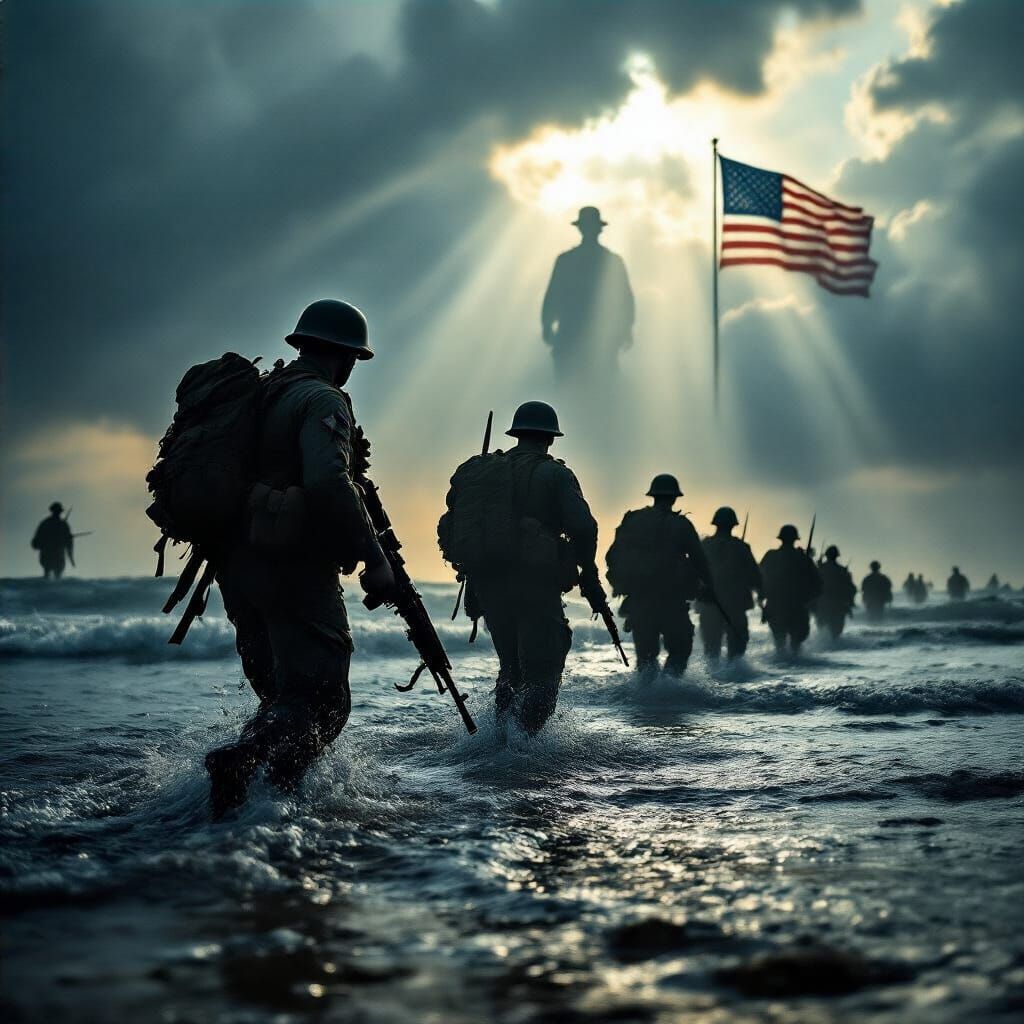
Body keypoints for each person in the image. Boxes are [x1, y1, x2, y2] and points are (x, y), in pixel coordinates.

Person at [204, 299, 395, 816]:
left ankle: (253, 809)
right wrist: (376, 560)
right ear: (346, 356)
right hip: (290, 565)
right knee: (322, 702)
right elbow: (330, 479)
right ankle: (243, 768)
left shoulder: (266, 395)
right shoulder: (321, 399)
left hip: (237, 565)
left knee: (282, 698)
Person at [439, 401, 605, 735]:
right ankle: (525, 746)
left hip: (490, 585)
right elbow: (583, 528)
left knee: (510, 667)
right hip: (534, 584)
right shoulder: (555, 474)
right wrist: (589, 575)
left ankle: (501, 735)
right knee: (543, 669)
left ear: (516, 434)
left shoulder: (485, 471)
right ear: (551, 438)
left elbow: (455, 513)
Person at [605, 475, 713, 676]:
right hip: (671, 600)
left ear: (653, 495)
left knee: (646, 659)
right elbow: (700, 560)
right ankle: (668, 693)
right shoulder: (681, 525)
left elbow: (612, 555)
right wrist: (709, 588)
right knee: (680, 650)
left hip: (639, 600)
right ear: (674, 498)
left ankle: (648, 698)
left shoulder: (633, 521)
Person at [541, 206, 635, 387]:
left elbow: (553, 294)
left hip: (579, 336)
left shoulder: (566, 260)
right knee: (596, 389)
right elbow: (625, 298)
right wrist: (626, 327)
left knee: (574, 388)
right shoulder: (612, 260)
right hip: (595, 337)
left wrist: (547, 324)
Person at [698, 506, 761, 661]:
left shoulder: (704, 546)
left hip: (710, 604)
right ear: (733, 525)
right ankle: (733, 681)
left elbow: (693, 573)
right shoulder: (741, 548)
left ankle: (712, 682)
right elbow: (755, 578)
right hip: (734, 605)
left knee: (711, 651)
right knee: (737, 652)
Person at [759, 525, 822, 655]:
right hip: (796, 605)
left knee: (779, 642)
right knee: (796, 643)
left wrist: (763, 599)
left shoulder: (771, 556)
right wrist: (808, 600)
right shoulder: (803, 558)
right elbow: (817, 584)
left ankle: (782, 665)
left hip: (776, 604)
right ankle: (792, 665)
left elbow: (759, 578)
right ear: (795, 539)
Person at [816, 545, 857, 640]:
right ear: (837, 556)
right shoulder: (842, 570)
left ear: (826, 555)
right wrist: (849, 603)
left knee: (822, 630)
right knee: (836, 633)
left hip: (823, 604)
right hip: (838, 605)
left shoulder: (819, 569)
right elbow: (851, 589)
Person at [31, 502, 74, 579]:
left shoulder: (46, 523)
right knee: (52, 577)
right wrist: (71, 558)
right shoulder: (61, 524)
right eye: (56, 511)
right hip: (50, 554)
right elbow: (36, 542)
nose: (57, 513)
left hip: (54, 555)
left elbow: (69, 542)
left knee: (51, 576)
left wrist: (71, 558)